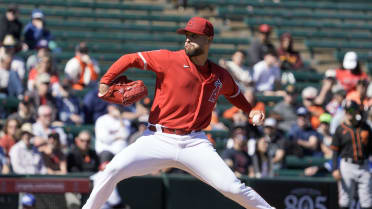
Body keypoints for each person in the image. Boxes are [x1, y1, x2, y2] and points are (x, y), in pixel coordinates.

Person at [82, 17, 272, 209]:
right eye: (187, 35)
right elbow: (129, 59)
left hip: (195, 143)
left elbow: (234, 93)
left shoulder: (219, 75)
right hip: (157, 138)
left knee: (233, 188)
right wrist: (106, 82)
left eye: (194, 36)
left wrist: (250, 111)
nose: (188, 39)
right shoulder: (169, 59)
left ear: (209, 40)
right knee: (112, 170)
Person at [330, 100, 372, 209]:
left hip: (364, 165)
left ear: (356, 111)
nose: (349, 112)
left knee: (366, 201)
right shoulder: (340, 129)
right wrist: (334, 168)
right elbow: (335, 151)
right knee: (345, 200)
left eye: (351, 110)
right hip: (347, 166)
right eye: (346, 110)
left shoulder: (365, 127)